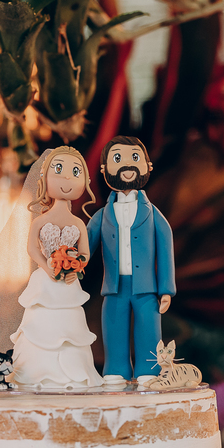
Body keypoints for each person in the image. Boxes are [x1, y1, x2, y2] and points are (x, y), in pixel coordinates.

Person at [8, 146, 104, 388]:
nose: (67, 178)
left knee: (69, 326)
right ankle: (36, 373)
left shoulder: (79, 224)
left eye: (75, 171)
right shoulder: (40, 221)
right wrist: (47, 266)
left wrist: (76, 267)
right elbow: (31, 249)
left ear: (85, 180)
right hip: (46, 280)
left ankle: (73, 374)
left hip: (69, 283)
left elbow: (85, 253)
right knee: (41, 322)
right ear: (44, 178)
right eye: (58, 169)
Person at [87, 136, 176, 383]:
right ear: (104, 169)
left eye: (134, 158)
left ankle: (149, 371)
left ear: (148, 166)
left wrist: (166, 288)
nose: (128, 164)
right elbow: (86, 244)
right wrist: (72, 261)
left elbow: (165, 247)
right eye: (118, 158)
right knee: (114, 328)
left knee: (148, 329)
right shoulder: (102, 215)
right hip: (114, 287)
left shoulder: (153, 214)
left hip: (146, 288)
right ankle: (116, 369)